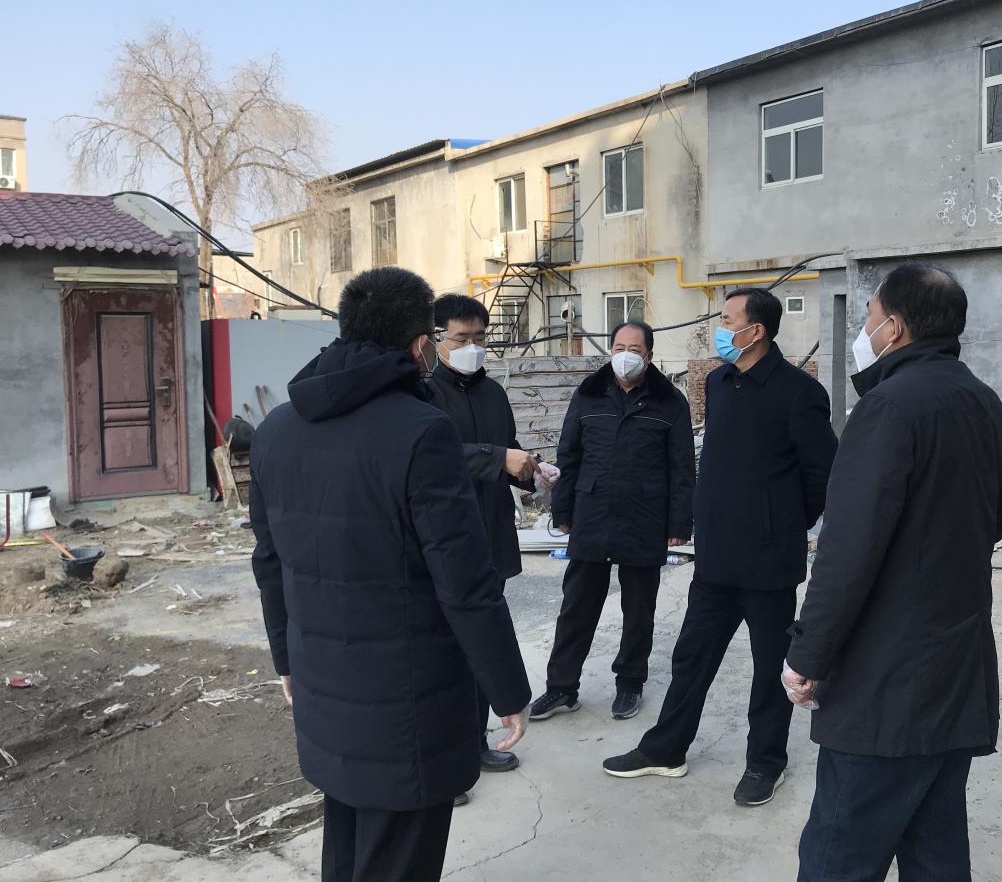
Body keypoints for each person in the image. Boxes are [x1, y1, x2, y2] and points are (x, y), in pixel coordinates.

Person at [249, 267, 531, 882]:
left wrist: (286, 661)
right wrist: (508, 691)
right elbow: (466, 583)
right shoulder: (422, 432)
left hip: (325, 687)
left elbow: (269, 563)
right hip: (408, 703)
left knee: (348, 850)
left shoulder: (276, 430)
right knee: (399, 858)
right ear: (420, 344)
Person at [781, 263, 1002, 881]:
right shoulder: (984, 401)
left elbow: (847, 550)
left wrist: (807, 654)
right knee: (935, 850)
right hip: (955, 665)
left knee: (839, 854)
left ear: (896, 328)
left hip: (886, 682)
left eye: (869, 317)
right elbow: (996, 517)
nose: (865, 330)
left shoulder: (887, 407)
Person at [603, 287, 837, 807]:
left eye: (729, 320)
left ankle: (766, 763)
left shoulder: (799, 392)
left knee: (769, 667)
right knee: (692, 656)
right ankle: (665, 749)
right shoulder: (718, 381)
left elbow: (822, 475)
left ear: (757, 331)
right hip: (716, 558)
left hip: (768, 560)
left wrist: (781, 522)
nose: (720, 329)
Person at [530, 321, 695, 722]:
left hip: (645, 516)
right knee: (577, 606)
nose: (625, 355)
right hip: (593, 512)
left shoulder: (670, 402)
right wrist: (562, 511)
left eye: (634, 349)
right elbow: (569, 455)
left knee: (639, 609)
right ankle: (561, 687)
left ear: (649, 357)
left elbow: (681, 469)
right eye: (619, 347)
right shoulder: (588, 394)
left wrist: (679, 525)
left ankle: (630, 682)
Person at [426, 293, 552, 804]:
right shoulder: (423, 394)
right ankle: (443, 760)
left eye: (480, 338)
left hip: (490, 533)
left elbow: (508, 452)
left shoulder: (494, 393)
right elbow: (432, 459)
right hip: (444, 540)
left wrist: (531, 472)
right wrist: (497, 457)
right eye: (462, 338)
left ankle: (475, 744)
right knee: (444, 654)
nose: (472, 348)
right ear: (436, 340)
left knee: (484, 642)